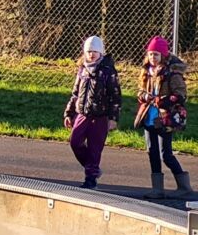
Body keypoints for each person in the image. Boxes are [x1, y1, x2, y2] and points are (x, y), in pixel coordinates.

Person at [135, 35, 192, 198]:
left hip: (164, 118)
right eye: (151, 54)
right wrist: (143, 96)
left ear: (164, 55)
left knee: (165, 153)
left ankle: (184, 185)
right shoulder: (146, 71)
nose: (153, 58)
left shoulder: (172, 73)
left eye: (156, 54)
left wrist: (165, 100)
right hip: (149, 117)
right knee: (151, 151)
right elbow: (140, 90)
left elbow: (181, 94)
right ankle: (157, 189)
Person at [63, 36, 121, 189]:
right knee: (75, 141)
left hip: (100, 115)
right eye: (89, 52)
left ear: (101, 52)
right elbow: (75, 93)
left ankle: (91, 178)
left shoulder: (107, 71)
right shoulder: (82, 70)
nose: (91, 55)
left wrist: (113, 117)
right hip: (82, 113)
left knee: (95, 148)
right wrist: (69, 113)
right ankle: (92, 168)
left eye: (95, 51)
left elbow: (115, 95)